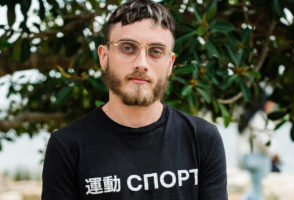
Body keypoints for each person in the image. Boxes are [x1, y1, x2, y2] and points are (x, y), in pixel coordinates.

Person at [42, 0, 227, 199]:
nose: (141, 63)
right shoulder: (67, 146)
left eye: (156, 51)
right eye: (128, 48)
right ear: (104, 57)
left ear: (170, 64)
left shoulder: (202, 139)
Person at [238, 99, 278, 200]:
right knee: (258, 191)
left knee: (255, 189)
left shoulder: (249, 117)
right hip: (258, 158)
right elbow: (264, 142)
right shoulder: (260, 118)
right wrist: (274, 154)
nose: (272, 105)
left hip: (246, 157)